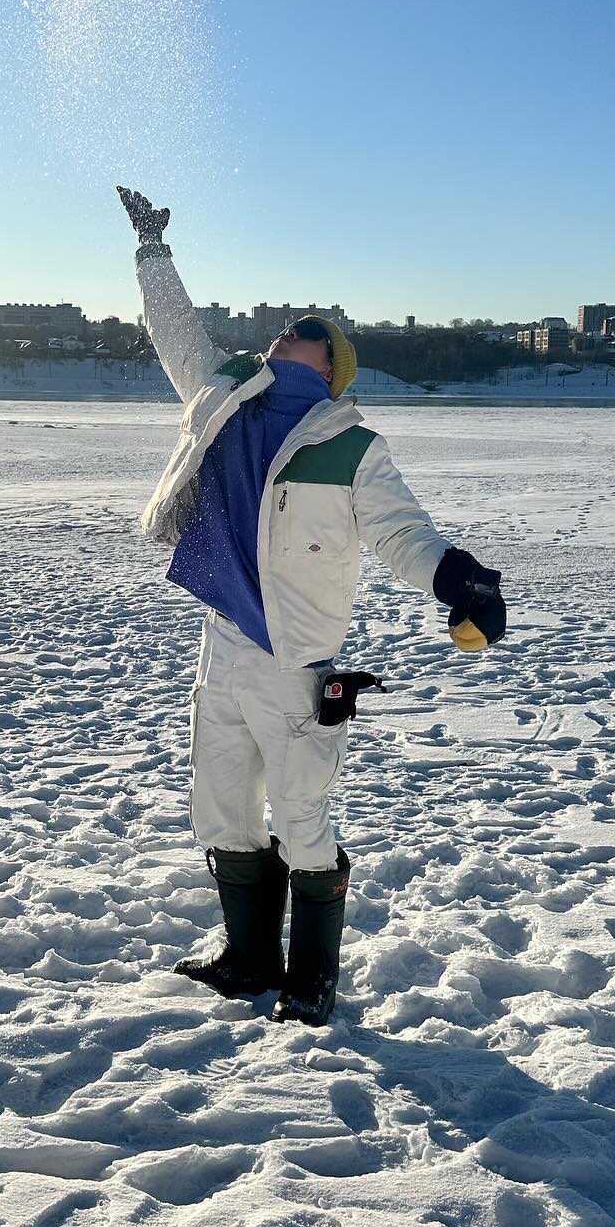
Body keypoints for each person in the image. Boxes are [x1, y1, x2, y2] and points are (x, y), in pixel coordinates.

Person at [119, 186, 506, 1025]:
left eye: (307, 329)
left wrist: (459, 579)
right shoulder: (223, 395)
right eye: (287, 324)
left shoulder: (353, 447)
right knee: (219, 810)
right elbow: (176, 332)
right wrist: (153, 250)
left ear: (331, 365)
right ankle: (249, 958)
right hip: (221, 646)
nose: (286, 328)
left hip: (297, 668)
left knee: (300, 820)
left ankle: (311, 977)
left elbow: (404, 533)